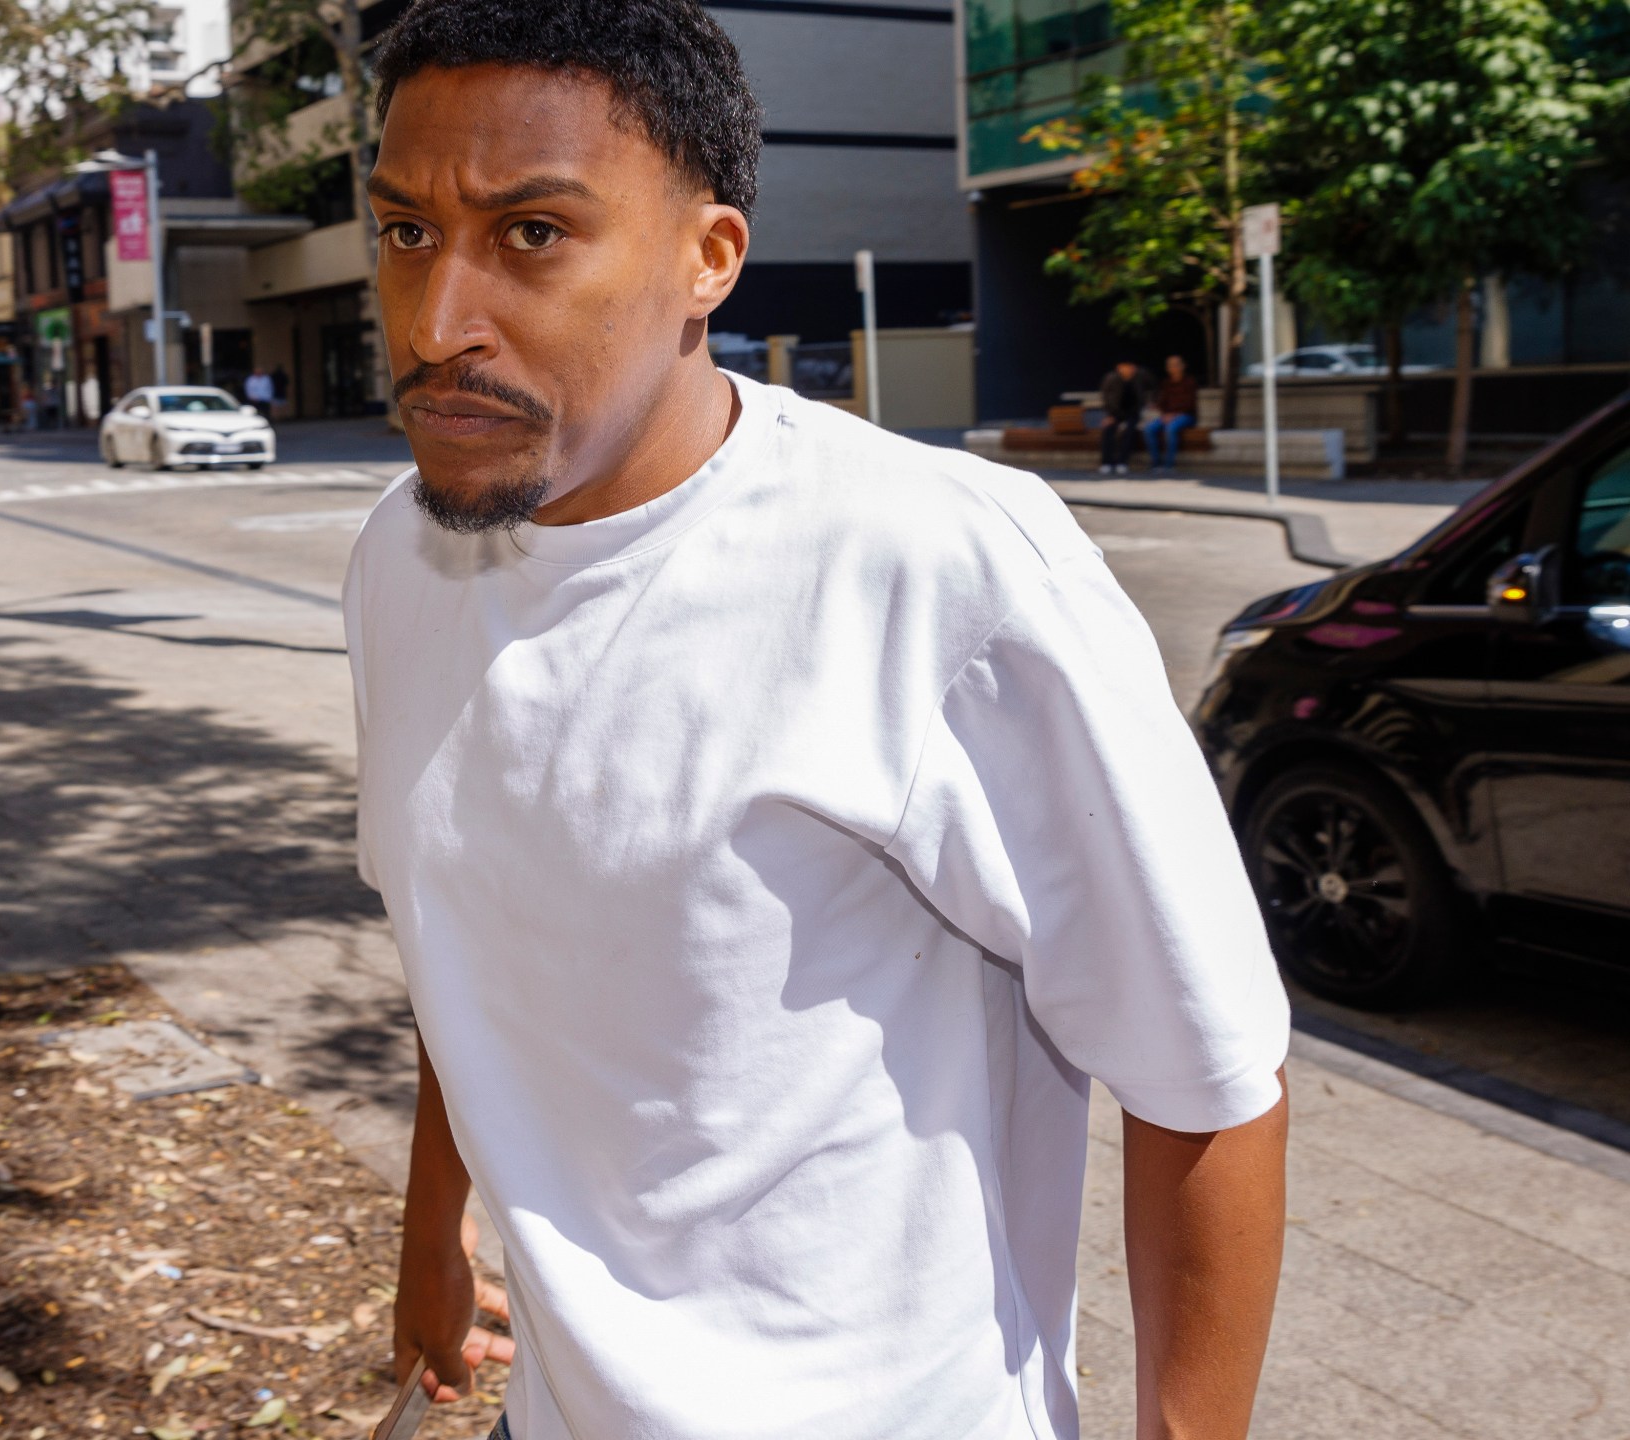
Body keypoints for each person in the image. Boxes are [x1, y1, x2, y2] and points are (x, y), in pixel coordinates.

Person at [345, 4, 1292, 1438]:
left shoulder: (942, 568)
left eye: (532, 233)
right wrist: (434, 1235)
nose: (436, 320)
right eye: (406, 230)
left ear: (705, 261)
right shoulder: (398, 562)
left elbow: (1208, 1072)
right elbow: (469, 941)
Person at [1146, 353, 1200, 471]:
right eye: (1171, 365)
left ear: (1183, 366)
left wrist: (1174, 414)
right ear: (1167, 368)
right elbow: (1163, 402)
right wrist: (1161, 411)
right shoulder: (1166, 383)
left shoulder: (1190, 382)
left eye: (1176, 365)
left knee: (1171, 428)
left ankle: (1169, 465)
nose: (1174, 368)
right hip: (1169, 416)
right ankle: (1156, 464)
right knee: (1149, 428)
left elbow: (1190, 404)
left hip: (1187, 416)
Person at [1099, 357, 1151, 474]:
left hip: (1133, 413)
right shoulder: (1111, 379)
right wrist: (1109, 415)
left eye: (1131, 366)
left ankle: (1122, 462)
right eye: (1125, 366)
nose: (1129, 369)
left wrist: (1150, 403)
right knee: (1108, 430)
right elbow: (1106, 398)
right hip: (1115, 414)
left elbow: (1153, 388)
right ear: (1119, 368)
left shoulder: (1140, 377)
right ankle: (1106, 462)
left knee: (1129, 431)